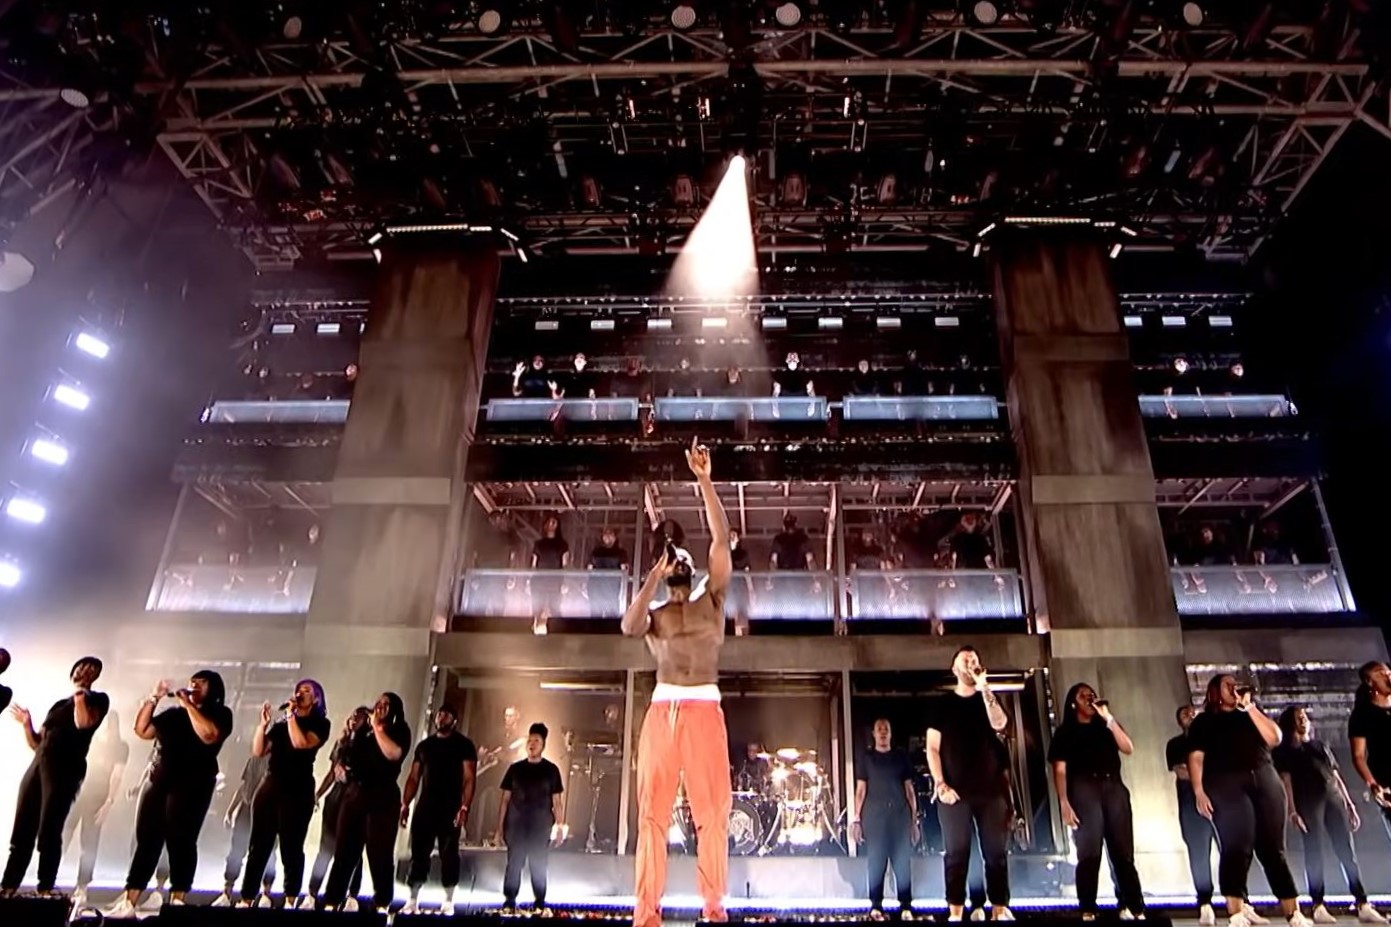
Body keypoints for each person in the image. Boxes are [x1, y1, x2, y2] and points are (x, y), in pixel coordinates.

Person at [622, 438, 734, 927]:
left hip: (705, 710)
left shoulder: (714, 602)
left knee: (713, 815)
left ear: (692, 571)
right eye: (675, 563)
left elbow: (722, 542)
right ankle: (646, 911)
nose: (681, 565)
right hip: (662, 711)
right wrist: (652, 576)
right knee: (652, 817)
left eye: (684, 562)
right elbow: (628, 625)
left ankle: (713, 907)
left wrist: (705, 480)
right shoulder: (658, 615)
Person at [103, 671, 234, 917]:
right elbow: (142, 730)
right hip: (159, 780)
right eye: (192, 680)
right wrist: (154, 697)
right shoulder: (173, 715)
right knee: (146, 840)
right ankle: (130, 901)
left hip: (193, 784)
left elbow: (208, 735)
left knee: (181, 841)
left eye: (201, 682)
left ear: (214, 688)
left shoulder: (220, 714)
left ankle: (177, 900)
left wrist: (187, 703)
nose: (194, 685)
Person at [1187, 674, 1308, 927]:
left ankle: (1293, 913)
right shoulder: (1205, 721)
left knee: (1274, 848)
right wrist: (1198, 790)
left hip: (1264, 777)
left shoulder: (1251, 713)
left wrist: (1250, 707)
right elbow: (1196, 758)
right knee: (1237, 845)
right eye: (1228, 685)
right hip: (1226, 782)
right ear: (1215, 692)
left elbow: (1275, 738)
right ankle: (1236, 912)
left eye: (1236, 684)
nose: (1234, 687)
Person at [2, 656, 110, 897]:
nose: (84, 670)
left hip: (65, 769)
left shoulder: (97, 700)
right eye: (81, 666)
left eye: (91, 669)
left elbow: (83, 724)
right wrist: (27, 724)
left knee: (49, 830)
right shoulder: (59, 705)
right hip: (39, 764)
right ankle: (8, 887)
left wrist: (81, 694)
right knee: (22, 828)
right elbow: (36, 743)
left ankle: (45, 888)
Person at [926, 646, 1011, 922]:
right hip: (955, 790)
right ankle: (955, 910)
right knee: (957, 851)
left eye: (975, 659)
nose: (971, 663)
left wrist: (985, 687)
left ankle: (999, 907)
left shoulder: (987, 700)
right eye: (965, 660)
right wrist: (940, 784)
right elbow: (932, 748)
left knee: (996, 850)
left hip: (989, 789)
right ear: (955, 669)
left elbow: (1000, 725)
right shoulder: (942, 705)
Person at [1275, 706, 1382, 924]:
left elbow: (1335, 775)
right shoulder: (1285, 751)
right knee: (1314, 852)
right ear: (1289, 723)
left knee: (1346, 850)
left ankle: (1362, 902)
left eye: (1304, 717)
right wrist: (1293, 811)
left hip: (1333, 799)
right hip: (1308, 801)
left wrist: (1349, 805)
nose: (1303, 721)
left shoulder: (1319, 745)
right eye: (1298, 718)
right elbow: (1286, 782)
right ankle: (1318, 904)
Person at [1048, 683, 1144, 920]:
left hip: (1113, 787)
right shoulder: (1064, 732)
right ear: (1073, 703)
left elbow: (1128, 747)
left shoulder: (1106, 726)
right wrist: (1064, 801)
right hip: (1083, 788)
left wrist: (1109, 718)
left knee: (1123, 851)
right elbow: (1059, 770)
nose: (1088, 697)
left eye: (1090, 693)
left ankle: (1132, 905)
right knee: (1089, 852)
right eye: (1082, 695)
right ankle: (1088, 908)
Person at [238, 679, 331, 910]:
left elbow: (301, 743)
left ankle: (290, 899)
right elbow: (259, 751)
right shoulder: (281, 725)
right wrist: (262, 726)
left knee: (291, 847)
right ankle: (247, 898)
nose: (300, 693)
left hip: (298, 790)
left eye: (306, 691)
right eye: (298, 689)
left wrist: (291, 717)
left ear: (316, 698)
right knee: (258, 847)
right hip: (271, 785)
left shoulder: (320, 724)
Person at [320, 692, 411, 912]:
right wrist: (341, 765)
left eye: (386, 704)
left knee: (379, 854)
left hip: (382, 797)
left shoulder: (399, 730)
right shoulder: (363, 731)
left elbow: (394, 754)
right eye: (378, 703)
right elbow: (348, 754)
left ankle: (381, 903)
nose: (379, 707)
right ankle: (333, 901)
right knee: (344, 852)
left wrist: (378, 728)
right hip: (355, 794)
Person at [402, 704, 478, 915]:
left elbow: (470, 778)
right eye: (440, 714)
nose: (442, 717)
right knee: (419, 853)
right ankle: (413, 899)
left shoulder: (464, 745)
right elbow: (413, 777)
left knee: (449, 852)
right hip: (426, 806)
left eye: (447, 715)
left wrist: (464, 807)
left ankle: (448, 900)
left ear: (454, 720)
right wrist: (405, 804)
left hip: (451, 808)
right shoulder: (425, 746)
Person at [852, 719, 919, 921]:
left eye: (886, 729)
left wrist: (914, 821)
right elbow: (860, 791)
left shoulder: (900, 757)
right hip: (874, 817)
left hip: (899, 816)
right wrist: (856, 820)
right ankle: (876, 905)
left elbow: (909, 790)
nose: (882, 732)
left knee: (902, 862)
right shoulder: (867, 758)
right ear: (873, 733)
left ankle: (905, 905)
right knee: (876, 862)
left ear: (890, 734)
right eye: (879, 729)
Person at [63, 710, 127, 908]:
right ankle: (48, 880)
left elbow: (117, 774)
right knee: (63, 834)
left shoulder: (119, 747)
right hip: (77, 792)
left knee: (88, 843)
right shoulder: (89, 739)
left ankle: (82, 887)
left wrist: (109, 801)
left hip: (96, 797)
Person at [498, 723, 564, 912]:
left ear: (543, 745)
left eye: (536, 741)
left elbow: (557, 802)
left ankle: (540, 902)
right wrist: (499, 828)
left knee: (539, 864)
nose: (532, 744)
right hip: (516, 825)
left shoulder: (551, 770)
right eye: (530, 740)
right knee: (514, 864)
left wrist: (559, 827)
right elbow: (504, 800)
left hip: (540, 827)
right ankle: (510, 900)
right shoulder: (515, 769)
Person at [307, 708, 368, 906]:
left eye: (359, 717)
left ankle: (351, 895)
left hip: (355, 798)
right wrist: (318, 793)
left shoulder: (369, 744)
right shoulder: (341, 743)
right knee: (326, 846)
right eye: (352, 716)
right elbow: (332, 773)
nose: (354, 720)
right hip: (335, 798)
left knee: (352, 850)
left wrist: (351, 773)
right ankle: (312, 892)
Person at [1168, 704, 1218, 926]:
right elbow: (1182, 772)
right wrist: (1204, 771)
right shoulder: (1175, 744)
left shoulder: (1213, 740)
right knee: (1199, 854)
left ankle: (1240, 899)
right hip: (1190, 805)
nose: (1190, 715)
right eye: (1184, 714)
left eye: (1192, 712)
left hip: (1219, 801)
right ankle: (1205, 903)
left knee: (1232, 850)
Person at [212, 750, 276, 905]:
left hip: (269, 810)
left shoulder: (280, 760)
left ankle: (265, 894)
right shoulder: (254, 757)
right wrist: (232, 808)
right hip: (247, 808)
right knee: (236, 850)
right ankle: (227, 892)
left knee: (268, 853)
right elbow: (244, 786)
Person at [1349, 661, 1391, 836]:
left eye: (1388, 672)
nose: (1387, 676)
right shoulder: (1362, 714)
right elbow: (1358, 756)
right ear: (1369, 681)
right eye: (1380, 673)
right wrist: (1373, 784)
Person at [530, 514, 571, 635]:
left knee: (555, 607)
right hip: (539, 580)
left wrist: (565, 582)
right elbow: (534, 563)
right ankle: (534, 630)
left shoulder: (562, 544)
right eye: (549, 522)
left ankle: (556, 633)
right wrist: (529, 579)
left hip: (555, 581)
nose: (551, 524)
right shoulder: (539, 544)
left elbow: (565, 564)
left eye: (554, 522)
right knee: (537, 607)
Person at [587, 527, 631, 619]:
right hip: (596, 587)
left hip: (612, 587)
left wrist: (624, 588)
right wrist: (586, 583)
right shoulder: (596, 552)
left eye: (610, 533)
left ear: (615, 537)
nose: (607, 536)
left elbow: (624, 571)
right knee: (595, 614)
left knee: (612, 613)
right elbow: (589, 568)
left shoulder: (620, 552)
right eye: (605, 533)